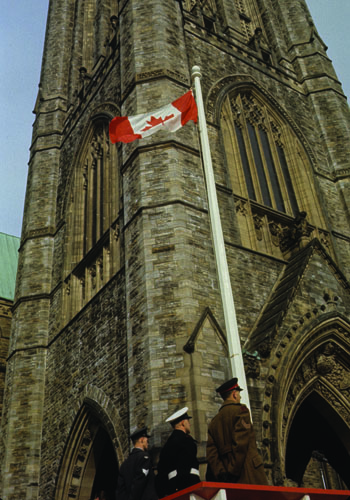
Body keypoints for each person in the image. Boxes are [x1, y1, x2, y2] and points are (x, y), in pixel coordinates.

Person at [206, 378, 268, 485]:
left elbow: (212, 454)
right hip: (247, 472)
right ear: (234, 394)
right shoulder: (241, 411)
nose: (240, 396)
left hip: (226, 479)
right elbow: (241, 443)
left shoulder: (214, 422)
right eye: (239, 393)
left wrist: (222, 474)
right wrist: (232, 471)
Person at [156, 407, 200, 497]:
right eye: (188, 421)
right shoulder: (186, 441)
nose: (190, 424)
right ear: (183, 423)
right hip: (188, 486)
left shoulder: (167, 445)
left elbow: (162, 470)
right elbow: (185, 466)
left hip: (172, 488)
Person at [116, 427, 158, 500]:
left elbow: (120, 490)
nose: (148, 444)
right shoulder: (144, 458)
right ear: (141, 440)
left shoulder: (125, 464)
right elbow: (139, 483)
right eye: (147, 441)